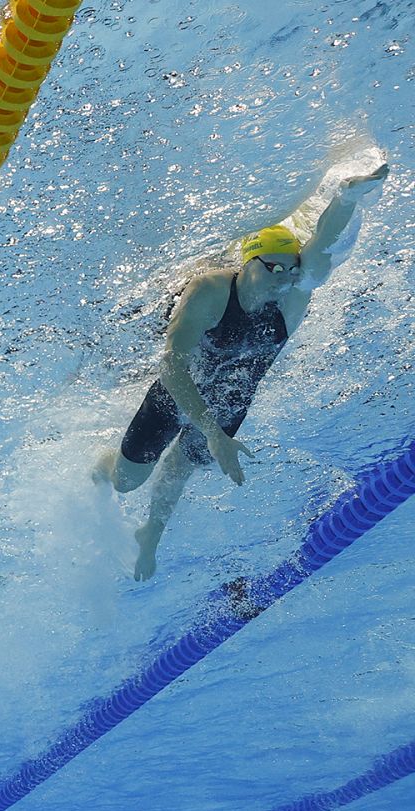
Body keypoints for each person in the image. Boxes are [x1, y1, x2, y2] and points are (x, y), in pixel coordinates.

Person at [96, 160, 389, 579]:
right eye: (274, 267)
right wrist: (214, 433)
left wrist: (347, 196)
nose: (285, 277)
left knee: (180, 467)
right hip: (178, 392)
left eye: (291, 268)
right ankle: (101, 465)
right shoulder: (211, 291)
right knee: (126, 483)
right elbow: (171, 364)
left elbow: (323, 247)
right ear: (248, 263)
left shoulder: (292, 300)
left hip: (231, 400)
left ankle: (151, 535)